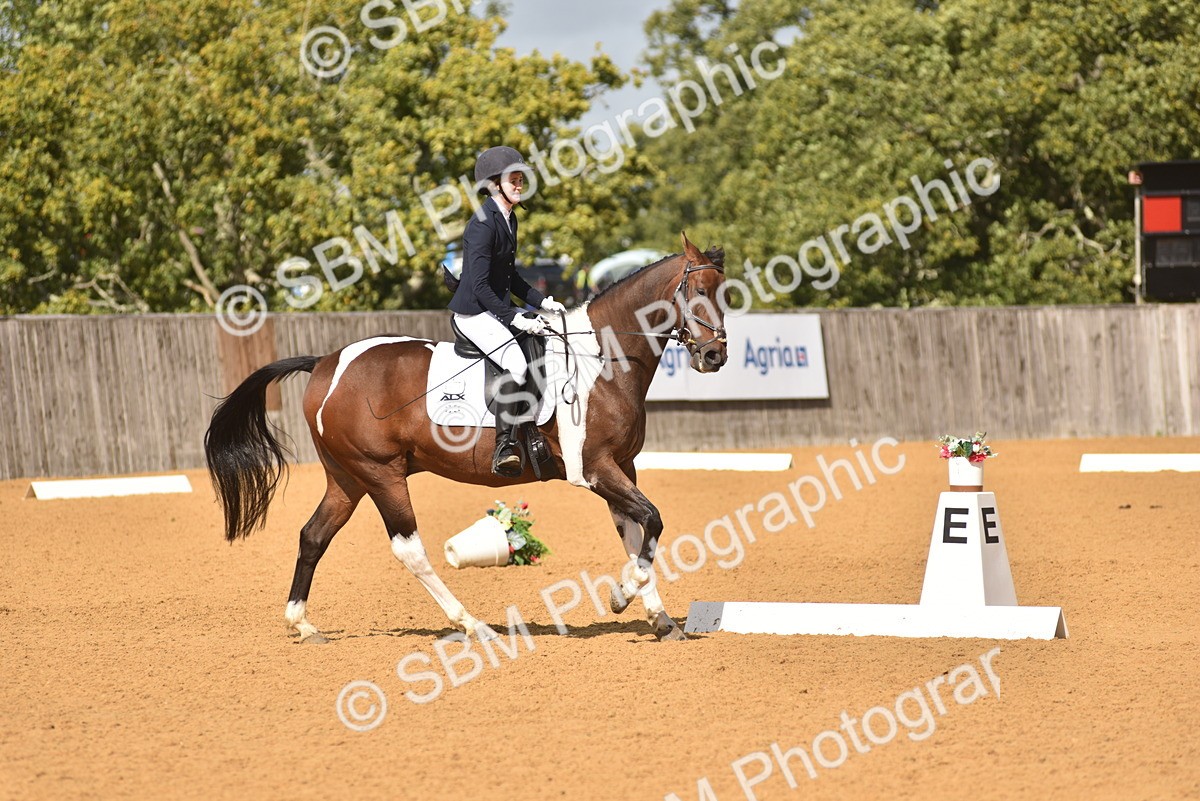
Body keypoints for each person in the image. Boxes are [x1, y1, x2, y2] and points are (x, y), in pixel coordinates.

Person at [448, 146, 566, 477]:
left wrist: (541, 302)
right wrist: (514, 316)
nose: (519, 184)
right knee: (515, 361)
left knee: (546, 340)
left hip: (495, 306)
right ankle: (504, 446)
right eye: (514, 179)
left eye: (520, 178)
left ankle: (533, 430)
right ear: (493, 184)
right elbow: (482, 286)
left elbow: (510, 277)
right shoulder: (483, 224)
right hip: (474, 313)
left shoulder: (508, 218)